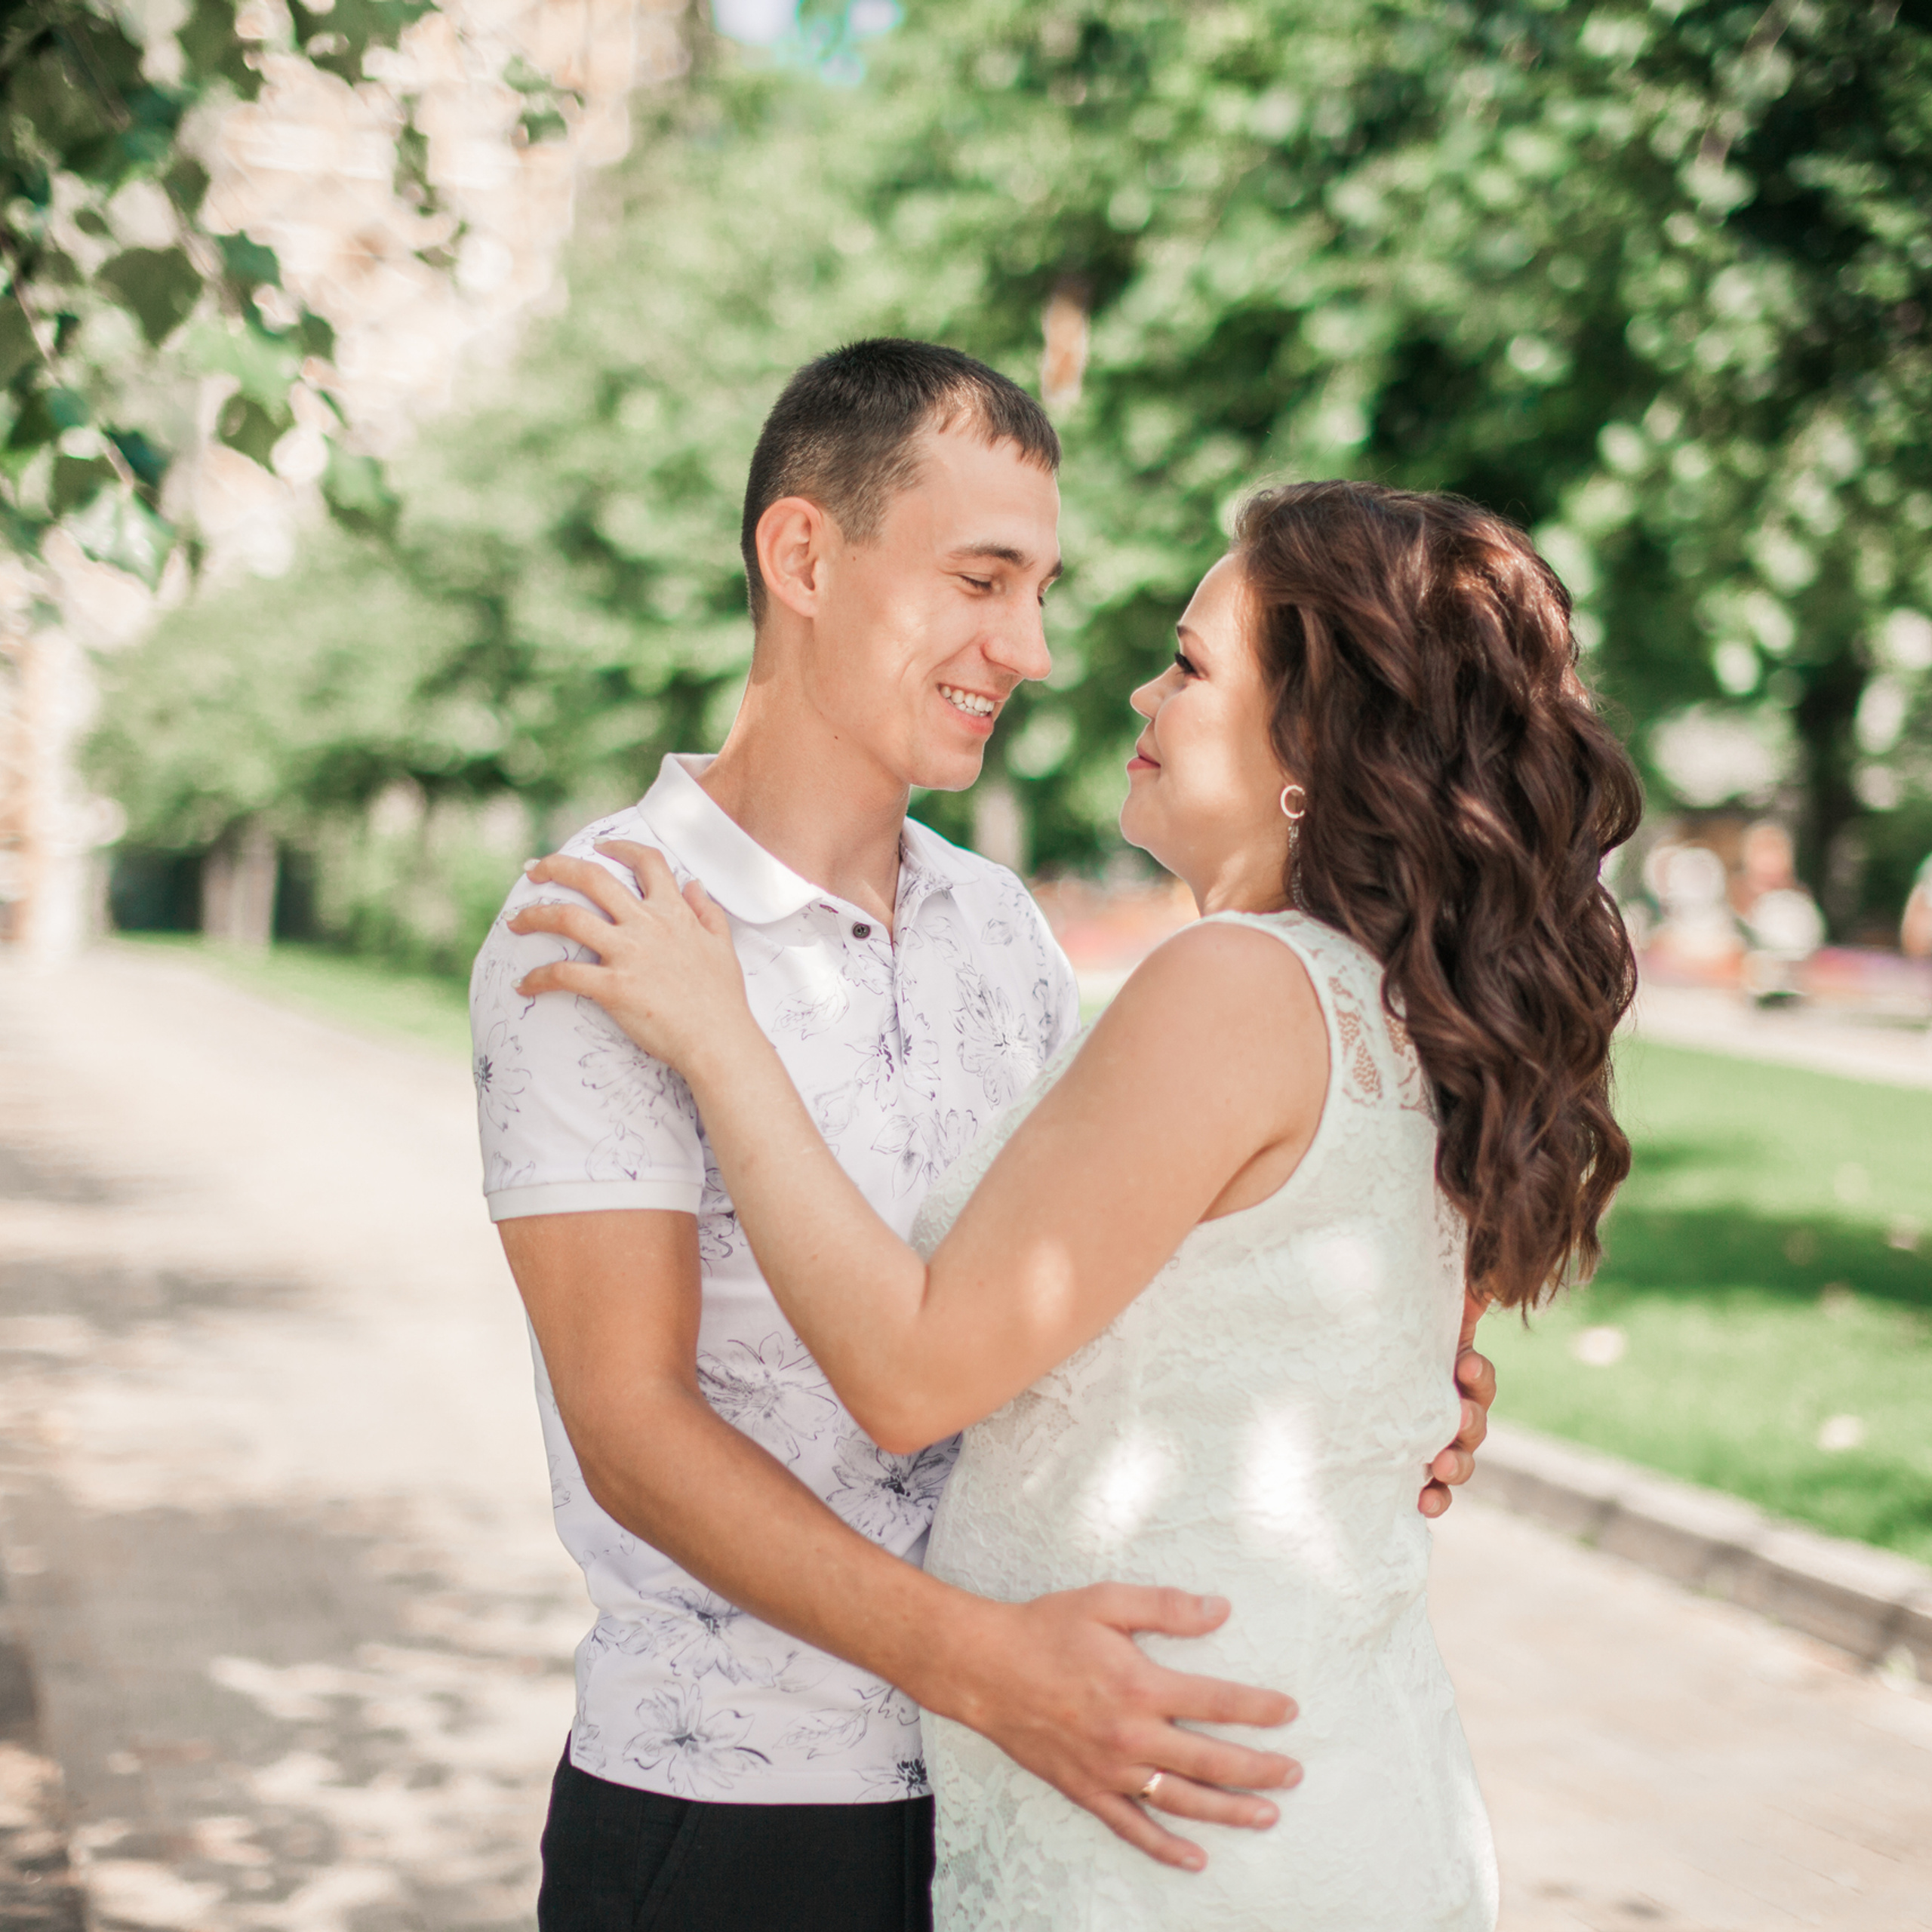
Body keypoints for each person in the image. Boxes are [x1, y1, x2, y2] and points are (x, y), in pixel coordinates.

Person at [514, 476, 1640, 1929]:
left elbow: (916, 1369)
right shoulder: (1393, 1003)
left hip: (1176, 1814)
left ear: (1315, 742)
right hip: (1295, 1776)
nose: (1120, 682)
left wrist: (722, 1039)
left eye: (1189, 665)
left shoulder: (1232, 987)